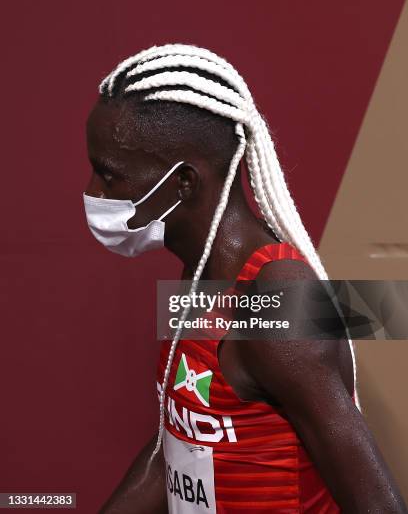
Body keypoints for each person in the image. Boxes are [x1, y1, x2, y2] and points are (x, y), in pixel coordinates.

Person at [83, 43, 407, 513]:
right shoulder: (201, 274)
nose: (93, 192)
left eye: (108, 176)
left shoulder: (276, 304)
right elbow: (174, 447)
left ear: (184, 183)